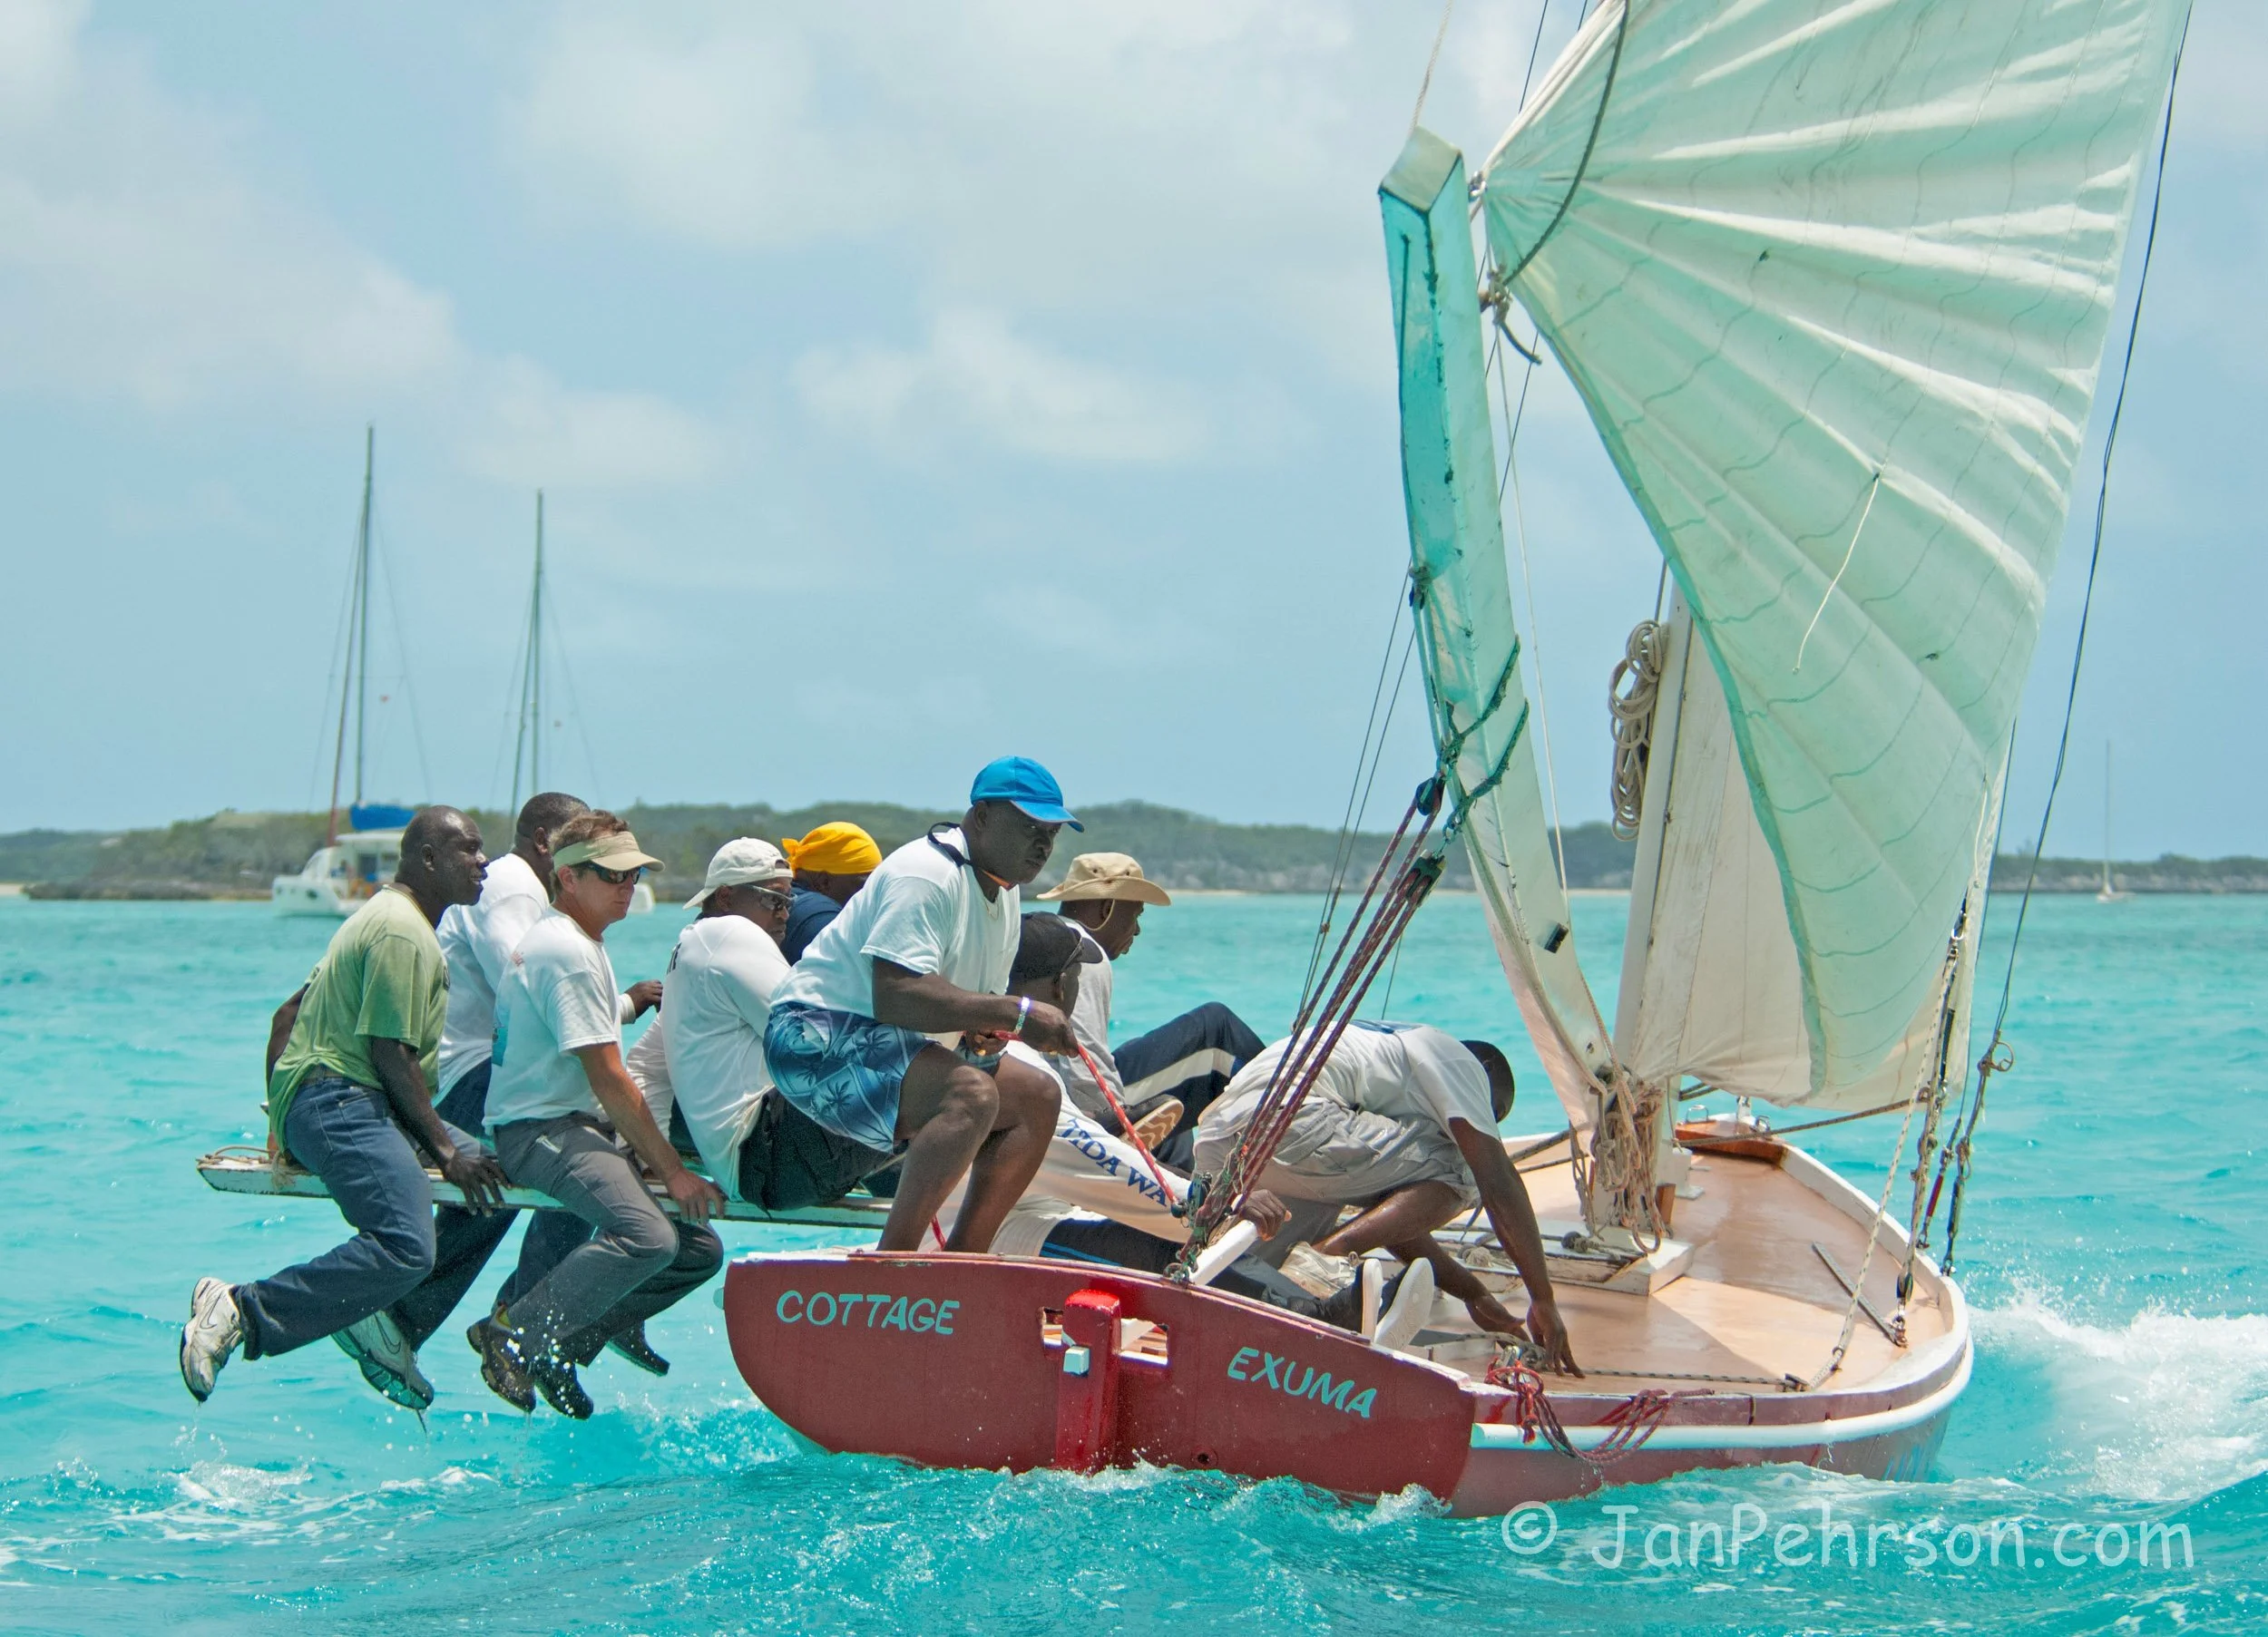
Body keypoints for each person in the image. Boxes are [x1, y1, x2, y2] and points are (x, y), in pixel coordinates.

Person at [180, 806, 511, 1410]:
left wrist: (281, 1125)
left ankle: (393, 1323)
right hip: (341, 1100)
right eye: (469, 849)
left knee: (502, 1175)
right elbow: (391, 1054)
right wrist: (441, 1150)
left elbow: (287, 1015)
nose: (483, 861)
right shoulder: (399, 931)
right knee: (408, 1243)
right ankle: (239, 1311)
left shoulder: (383, 920)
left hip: (342, 1102)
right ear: (429, 859)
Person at [983, 914, 1437, 1347]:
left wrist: (1207, 1201)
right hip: (1002, 1239)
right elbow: (1099, 1162)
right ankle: (1314, 1322)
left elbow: (1096, 1156)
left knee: (1169, 1228)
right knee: (1162, 1244)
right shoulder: (1026, 1076)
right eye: (1077, 979)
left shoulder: (1012, 1057)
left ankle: (1314, 1311)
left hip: (1026, 1216)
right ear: (1061, 987)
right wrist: (1220, 1200)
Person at [387, 791, 665, 1405]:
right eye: (608, 867)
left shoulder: (543, 901)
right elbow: (530, 981)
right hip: (476, 1070)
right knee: (576, 1153)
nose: (482, 861)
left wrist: (626, 1003)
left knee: (582, 1162)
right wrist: (620, 1011)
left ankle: (536, 1325)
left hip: (496, 1063)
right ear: (551, 846)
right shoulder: (517, 887)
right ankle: (524, 1323)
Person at [764, 756, 1080, 1254]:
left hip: (891, 1041)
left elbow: (968, 1006)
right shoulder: (927, 874)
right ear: (980, 817)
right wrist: (1014, 1014)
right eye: (1029, 827)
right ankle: (895, 1264)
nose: (1043, 844)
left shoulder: (1005, 891)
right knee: (971, 1096)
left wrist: (987, 1027)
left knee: (1037, 1097)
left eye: (1052, 832)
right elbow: (897, 994)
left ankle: (965, 1261)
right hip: (809, 1037)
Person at [482, 811, 726, 1418]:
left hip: (571, 1122)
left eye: (635, 872)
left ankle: (562, 1345)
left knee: (698, 1249)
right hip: (539, 1130)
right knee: (647, 1236)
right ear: (567, 878)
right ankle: (511, 1332)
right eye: (613, 874)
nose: (628, 885)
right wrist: (672, 1171)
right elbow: (610, 1078)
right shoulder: (565, 948)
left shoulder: (577, 941)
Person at [1193, 1021, 1579, 1373]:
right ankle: (1325, 1259)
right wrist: (1542, 1298)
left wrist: (1474, 1294)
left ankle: (1268, 1296)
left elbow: (1396, 1215)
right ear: (1485, 1079)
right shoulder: (1463, 1063)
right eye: (1494, 1113)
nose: (1488, 1124)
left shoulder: (1391, 1055)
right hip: (1298, 1119)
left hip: (1224, 1143)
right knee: (1469, 1172)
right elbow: (1499, 1182)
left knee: (1269, 1275)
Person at [639, 838, 896, 1211]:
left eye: (790, 901)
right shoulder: (727, 934)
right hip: (767, 1158)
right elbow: (814, 1041)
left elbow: (646, 1063)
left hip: (746, 1168)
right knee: (941, 1075)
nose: (785, 914)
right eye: (774, 899)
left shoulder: (692, 954)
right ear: (726, 897)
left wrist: (660, 1167)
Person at [1037, 852, 1264, 1168]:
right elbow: (1083, 1058)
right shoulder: (1082, 952)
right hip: (1078, 1109)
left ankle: (1181, 1184)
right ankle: (1300, 1116)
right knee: (1217, 1029)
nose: (1138, 930)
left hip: (1046, 1090)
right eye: (1136, 915)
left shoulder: (1041, 935)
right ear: (1107, 908)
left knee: (1170, 1103)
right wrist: (1114, 1127)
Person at [779, 822, 883, 962]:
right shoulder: (822, 917)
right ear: (824, 882)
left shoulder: (787, 902)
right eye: (865, 886)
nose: (873, 896)